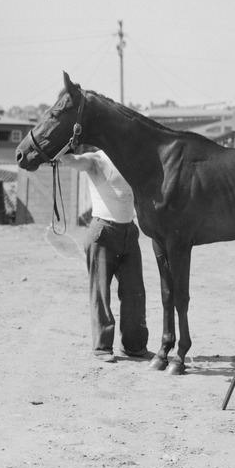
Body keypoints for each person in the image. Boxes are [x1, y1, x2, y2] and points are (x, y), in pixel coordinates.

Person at [56, 146, 152, 363]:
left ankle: (135, 346)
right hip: (103, 232)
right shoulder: (96, 159)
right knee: (101, 292)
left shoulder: (131, 159)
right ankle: (102, 347)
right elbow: (72, 161)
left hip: (129, 231)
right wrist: (63, 147)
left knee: (135, 292)